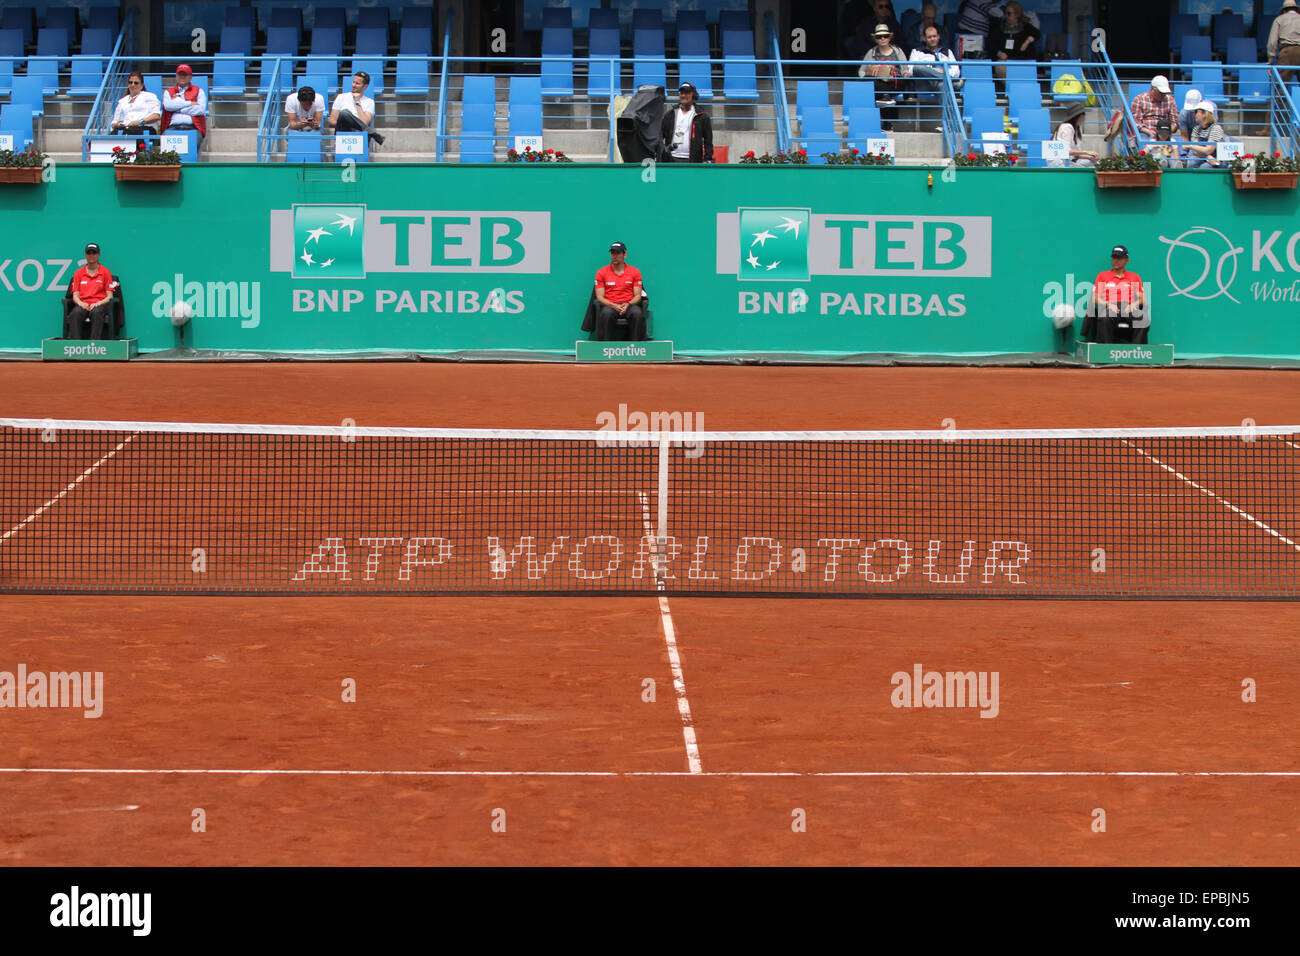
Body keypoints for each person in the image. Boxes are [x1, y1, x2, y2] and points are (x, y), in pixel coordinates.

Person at [1089, 245, 1146, 345]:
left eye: (1119, 258)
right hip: (1111, 307)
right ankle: (1106, 351)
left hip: (1128, 307)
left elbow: (1142, 299)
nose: (1116, 260)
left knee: (1143, 319)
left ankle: (1137, 352)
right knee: (1105, 318)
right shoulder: (1102, 275)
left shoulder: (1134, 277)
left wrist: (1134, 304)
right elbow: (1095, 298)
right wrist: (1108, 304)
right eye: (1114, 257)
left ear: (1126, 260)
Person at [592, 242, 645, 341]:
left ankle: (637, 348)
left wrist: (628, 304)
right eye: (612, 253)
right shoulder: (601, 272)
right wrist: (613, 305)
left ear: (625, 254)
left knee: (637, 313)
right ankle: (605, 349)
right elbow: (599, 297)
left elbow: (638, 295)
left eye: (618, 253)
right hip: (610, 304)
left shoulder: (635, 272)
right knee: (606, 314)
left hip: (629, 304)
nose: (614, 256)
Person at [65, 243, 116, 340]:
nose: (91, 255)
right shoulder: (78, 273)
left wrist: (98, 303)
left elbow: (110, 296)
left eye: (94, 253)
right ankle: (76, 345)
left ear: (98, 255)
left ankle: (94, 344)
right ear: (85, 255)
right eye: (89, 253)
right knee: (75, 313)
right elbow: (75, 295)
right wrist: (81, 303)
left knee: (97, 313)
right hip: (83, 303)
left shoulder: (105, 272)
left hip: (99, 304)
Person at [658, 82, 713, 163]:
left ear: (693, 95)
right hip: (671, 158)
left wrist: (708, 158)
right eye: (682, 93)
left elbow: (708, 140)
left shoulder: (702, 116)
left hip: (692, 160)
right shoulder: (670, 114)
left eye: (687, 93)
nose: (683, 95)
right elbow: (660, 136)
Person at [859, 23, 910, 108]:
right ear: (875, 39)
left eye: (885, 36)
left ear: (889, 38)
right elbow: (861, 71)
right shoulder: (871, 52)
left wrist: (905, 74)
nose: (882, 38)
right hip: (878, 83)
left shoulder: (898, 51)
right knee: (871, 82)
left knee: (901, 81)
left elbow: (904, 69)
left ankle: (885, 97)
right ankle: (886, 97)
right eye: (879, 37)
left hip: (894, 82)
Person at [328, 72, 384, 146]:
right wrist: (346, 121)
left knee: (344, 113)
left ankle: (370, 132)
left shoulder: (369, 102)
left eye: (357, 83)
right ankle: (371, 132)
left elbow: (365, 122)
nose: (353, 85)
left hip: (359, 133)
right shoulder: (341, 97)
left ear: (365, 86)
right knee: (344, 113)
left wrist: (357, 102)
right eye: (353, 82)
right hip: (343, 130)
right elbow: (332, 121)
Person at [988, 1, 1039, 81]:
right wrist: (999, 53)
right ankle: (1010, 88)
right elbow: (991, 43)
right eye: (1005, 13)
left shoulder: (1026, 26)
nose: (1006, 16)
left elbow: (1037, 34)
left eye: (1009, 13)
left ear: (1017, 15)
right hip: (1006, 60)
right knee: (1000, 66)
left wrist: (1028, 41)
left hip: (1023, 60)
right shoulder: (998, 27)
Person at [908, 24, 960, 97]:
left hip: (941, 85)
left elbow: (956, 71)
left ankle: (944, 80)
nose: (932, 39)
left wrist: (943, 71)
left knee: (941, 85)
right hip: (925, 85)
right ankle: (952, 83)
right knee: (917, 67)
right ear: (924, 38)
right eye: (929, 37)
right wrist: (932, 70)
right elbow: (911, 70)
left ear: (938, 36)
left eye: (934, 36)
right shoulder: (916, 52)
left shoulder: (947, 51)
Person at [160, 64, 207, 143]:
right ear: (176, 76)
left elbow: (200, 110)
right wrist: (189, 103)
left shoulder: (199, 91)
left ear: (191, 77)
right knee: (166, 147)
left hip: (193, 127)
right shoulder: (168, 91)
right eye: (180, 74)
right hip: (172, 127)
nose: (182, 77)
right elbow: (168, 106)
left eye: (185, 74)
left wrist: (177, 109)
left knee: (194, 144)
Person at [1129, 75, 1180, 141]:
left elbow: (1174, 122)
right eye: (1160, 92)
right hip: (1145, 133)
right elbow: (1136, 122)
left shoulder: (1170, 100)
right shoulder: (1139, 99)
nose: (1163, 95)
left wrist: (1166, 132)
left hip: (1165, 132)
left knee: (1175, 146)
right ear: (1152, 88)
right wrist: (1149, 132)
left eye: (1164, 93)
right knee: (1144, 142)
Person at [110, 70, 161, 136]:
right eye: (130, 82)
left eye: (136, 83)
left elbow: (156, 115)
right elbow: (115, 121)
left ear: (142, 85)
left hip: (144, 128)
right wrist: (117, 124)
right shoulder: (122, 101)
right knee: (114, 134)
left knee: (131, 132)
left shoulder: (149, 96)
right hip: (126, 128)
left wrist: (140, 122)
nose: (132, 85)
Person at [1051, 102, 1099, 166]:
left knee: (1093, 162)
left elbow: (1075, 155)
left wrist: (1090, 157)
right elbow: (1066, 151)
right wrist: (1087, 152)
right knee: (1092, 165)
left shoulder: (1076, 129)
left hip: (1070, 161)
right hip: (1062, 163)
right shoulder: (1067, 128)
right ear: (1080, 116)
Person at [1185, 100, 1226, 168]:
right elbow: (1195, 152)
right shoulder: (1196, 129)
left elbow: (1209, 150)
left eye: (1196, 112)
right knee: (1191, 163)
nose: (1194, 114)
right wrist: (1207, 157)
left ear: (1204, 114)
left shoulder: (1216, 128)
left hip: (1217, 160)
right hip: (1204, 157)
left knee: (1205, 167)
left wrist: (1191, 146)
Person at [1267, 0, 1300, 84]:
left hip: (1286, 52)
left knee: (1281, 84)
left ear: (1284, 10)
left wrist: (1270, 60)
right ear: (1296, 9)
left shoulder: (1279, 19)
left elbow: (1272, 42)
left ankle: (1279, 97)